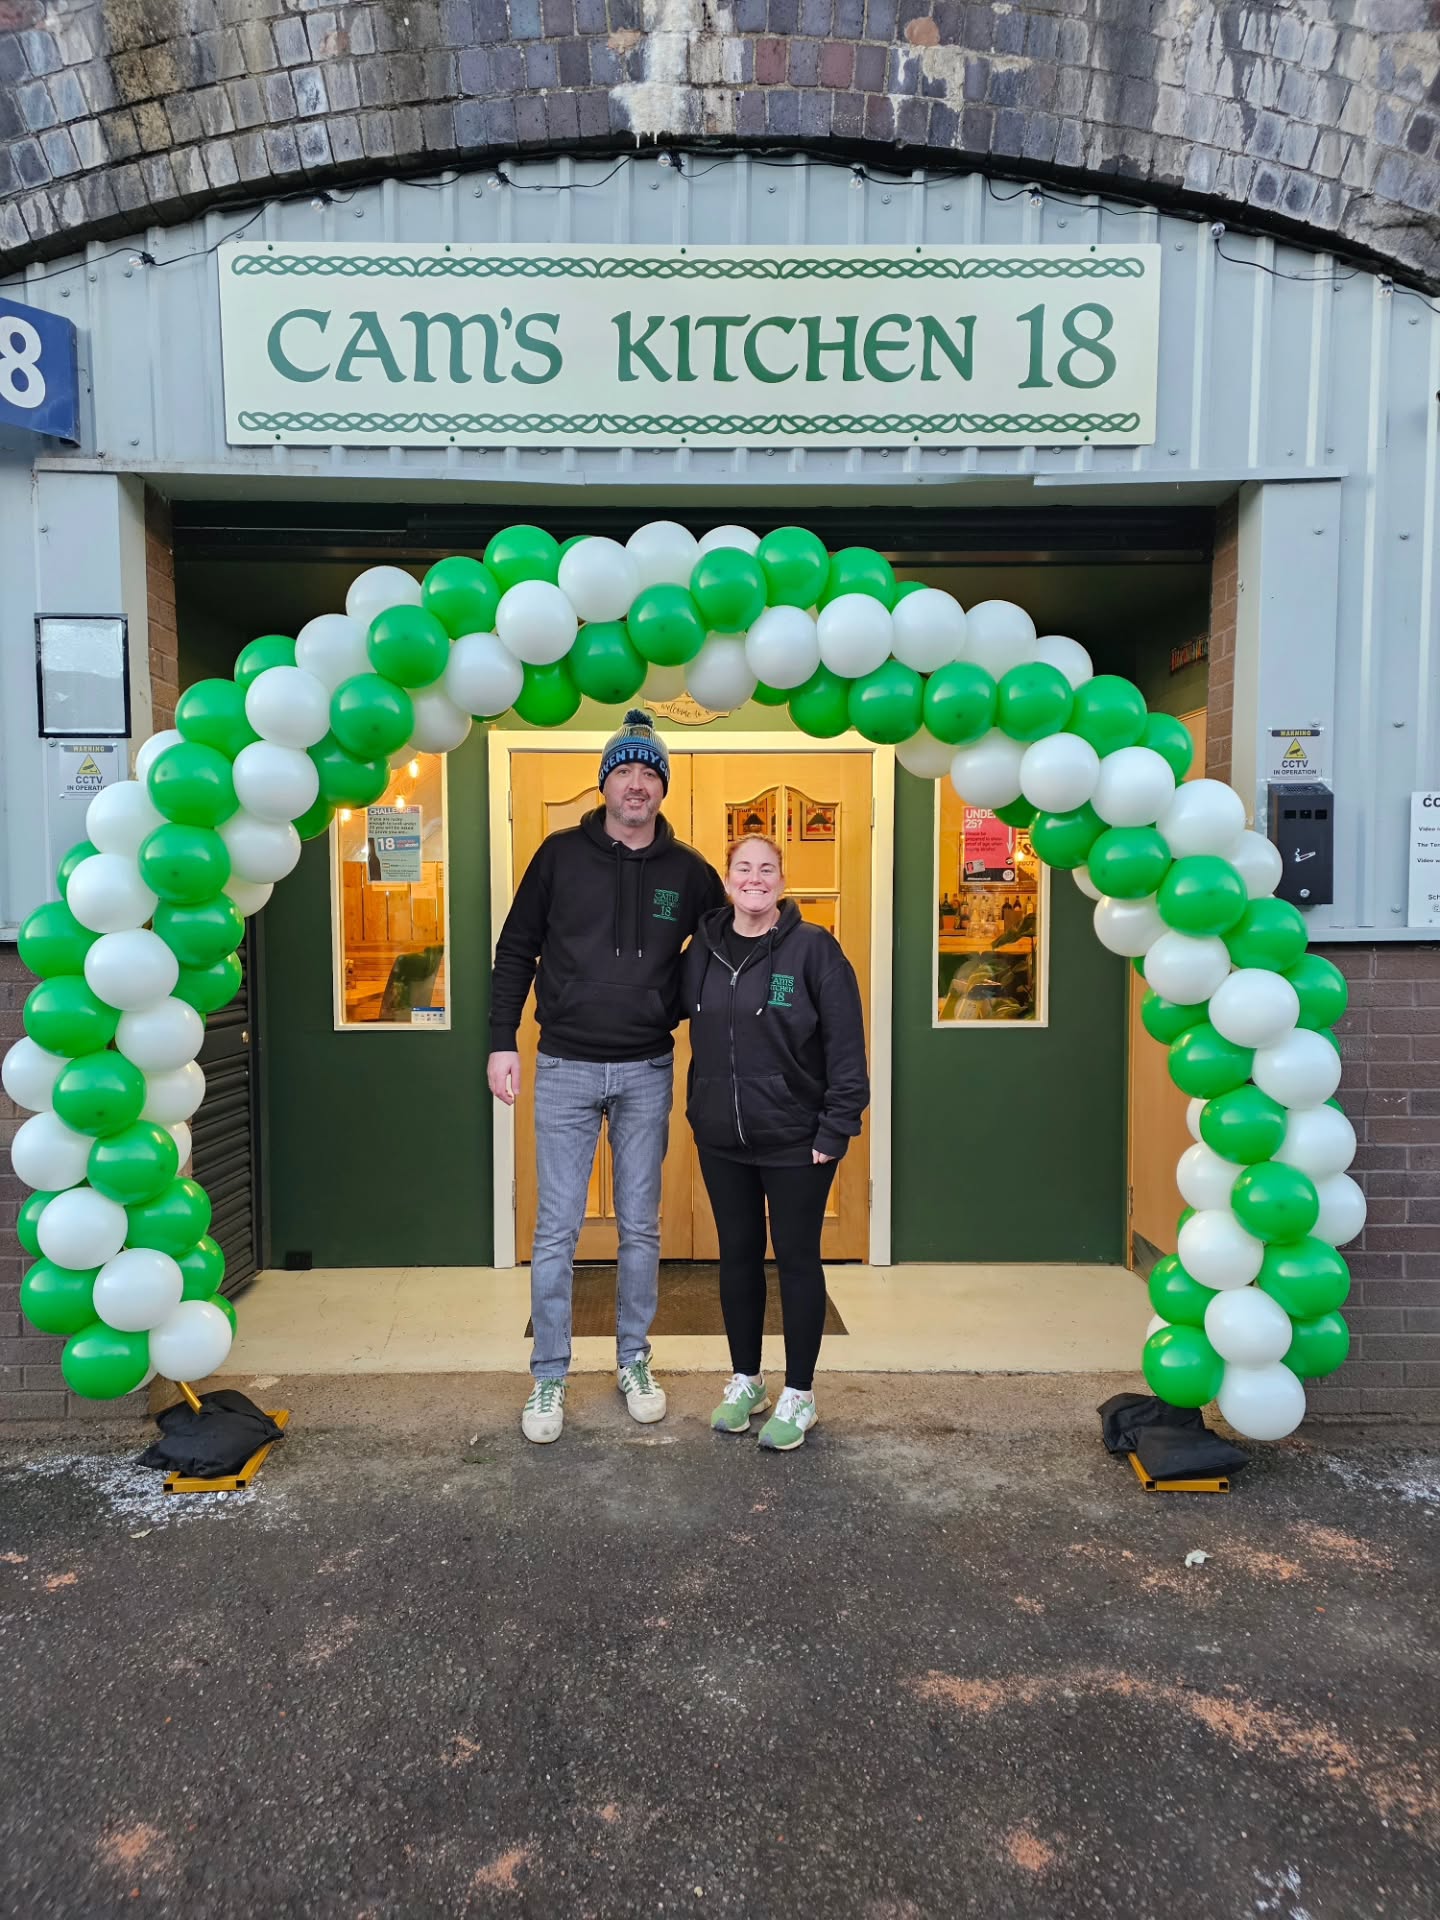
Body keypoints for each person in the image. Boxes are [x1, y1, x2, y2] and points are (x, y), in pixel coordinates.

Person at [488, 709, 724, 1445]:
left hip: (647, 1065)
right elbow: (515, 949)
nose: (636, 784)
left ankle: (634, 1360)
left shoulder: (689, 873)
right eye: (624, 771)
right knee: (556, 1228)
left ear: (662, 788)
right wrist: (501, 1042)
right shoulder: (559, 856)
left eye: (649, 773)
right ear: (604, 784)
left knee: (641, 1225)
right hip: (564, 1063)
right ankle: (549, 1374)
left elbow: (726, 954)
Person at [680, 834, 869, 1452]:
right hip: (722, 1136)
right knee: (737, 1255)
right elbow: (665, 1011)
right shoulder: (702, 950)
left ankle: (800, 1393)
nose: (754, 878)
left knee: (796, 1259)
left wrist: (835, 1127)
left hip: (796, 1138)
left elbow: (846, 1047)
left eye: (767, 869)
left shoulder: (814, 949)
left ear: (782, 882)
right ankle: (747, 1381)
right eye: (743, 868)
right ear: (728, 880)